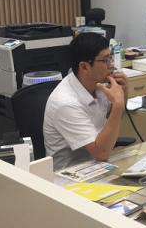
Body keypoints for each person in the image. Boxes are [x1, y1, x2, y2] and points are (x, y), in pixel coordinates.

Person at [43, 32, 128, 170]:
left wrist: (123, 93)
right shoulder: (65, 103)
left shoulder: (98, 85)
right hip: (70, 174)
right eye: (105, 60)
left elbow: (113, 118)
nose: (111, 65)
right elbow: (101, 153)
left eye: (110, 58)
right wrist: (118, 104)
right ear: (84, 67)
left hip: (97, 164)